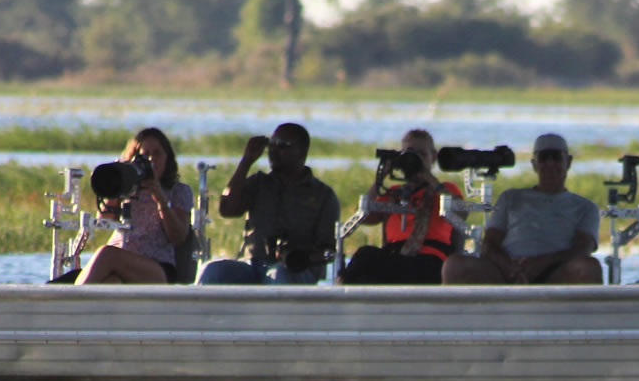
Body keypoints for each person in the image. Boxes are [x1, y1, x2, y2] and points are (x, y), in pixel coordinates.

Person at [440, 132, 601, 285]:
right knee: (454, 265)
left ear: (569, 162)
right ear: (534, 164)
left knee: (588, 267)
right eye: (544, 158)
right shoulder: (510, 198)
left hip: (558, 274)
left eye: (556, 157)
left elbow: (581, 249)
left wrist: (542, 263)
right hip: (507, 272)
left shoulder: (586, 207)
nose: (550, 164)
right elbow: (489, 243)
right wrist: (510, 268)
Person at [197, 122, 340, 285]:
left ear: (302, 151)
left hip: (293, 271)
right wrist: (246, 161)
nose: (273, 151)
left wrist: (296, 255)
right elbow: (228, 209)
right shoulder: (258, 183)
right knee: (213, 271)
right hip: (252, 266)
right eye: (271, 145)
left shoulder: (323, 195)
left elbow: (328, 251)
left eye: (282, 146)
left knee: (279, 275)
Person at [338, 128, 467, 286]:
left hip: (429, 259)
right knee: (365, 255)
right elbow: (366, 215)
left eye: (422, 154)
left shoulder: (445, 188)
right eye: (410, 154)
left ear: (433, 157)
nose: (416, 159)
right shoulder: (393, 193)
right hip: (395, 256)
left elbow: (460, 212)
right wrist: (382, 175)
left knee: (417, 268)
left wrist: (428, 177)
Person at [77, 127, 193, 284]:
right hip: (119, 260)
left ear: (168, 158)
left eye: (157, 153)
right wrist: (117, 182)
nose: (151, 160)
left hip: (156, 267)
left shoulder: (178, 191)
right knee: (112, 282)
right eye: (145, 155)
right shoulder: (128, 189)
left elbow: (179, 237)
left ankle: (70, 298)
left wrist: (160, 197)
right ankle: (79, 304)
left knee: (107, 253)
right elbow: (104, 219)